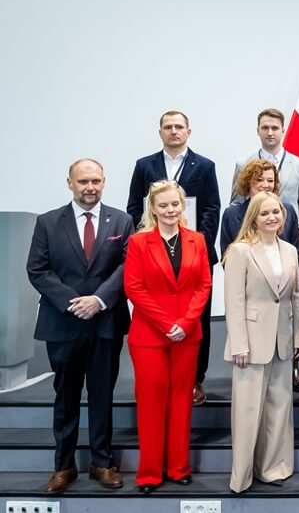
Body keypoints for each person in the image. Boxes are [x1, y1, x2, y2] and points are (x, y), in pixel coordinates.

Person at [26, 159, 134, 495]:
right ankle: (64, 466)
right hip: (63, 323)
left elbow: (127, 265)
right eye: (83, 181)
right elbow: (37, 269)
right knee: (66, 396)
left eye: (96, 181)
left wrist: (98, 300)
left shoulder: (122, 220)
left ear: (104, 182)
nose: (90, 187)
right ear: (70, 183)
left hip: (105, 322)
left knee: (102, 395)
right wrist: (75, 302)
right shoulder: (47, 222)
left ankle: (102, 462)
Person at [126, 111, 220, 406]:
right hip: (155, 253)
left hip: (192, 252)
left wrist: (198, 244)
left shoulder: (204, 165)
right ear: (160, 132)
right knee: (157, 308)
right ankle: (158, 376)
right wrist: (147, 242)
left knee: (198, 316)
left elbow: (212, 208)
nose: (174, 131)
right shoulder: (145, 165)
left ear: (188, 132)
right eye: (168, 127)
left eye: (179, 126)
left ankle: (196, 379)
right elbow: (134, 207)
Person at [124, 181, 212, 493]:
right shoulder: (138, 242)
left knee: (181, 401)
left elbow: (204, 284)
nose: (170, 210)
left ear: (182, 205)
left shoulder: (197, 240)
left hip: (187, 335)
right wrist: (166, 324)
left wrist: (186, 322)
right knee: (150, 403)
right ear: (153, 209)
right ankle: (149, 473)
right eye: (163, 205)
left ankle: (178, 467)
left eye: (175, 204)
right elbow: (134, 287)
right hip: (149, 335)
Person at [223, 192, 299, 493]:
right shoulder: (240, 251)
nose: (272, 217)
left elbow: (295, 297)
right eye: (265, 213)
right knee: (247, 412)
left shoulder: (290, 251)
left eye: (276, 212)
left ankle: (272, 468)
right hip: (250, 342)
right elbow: (233, 301)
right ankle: (242, 476)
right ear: (254, 218)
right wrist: (238, 344)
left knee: (278, 409)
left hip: (282, 339)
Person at [230, 108, 299, 217]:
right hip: (252, 226)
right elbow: (236, 204)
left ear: (283, 131)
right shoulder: (243, 165)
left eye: (275, 128)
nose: (270, 133)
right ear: (258, 131)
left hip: (289, 226)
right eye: (265, 128)